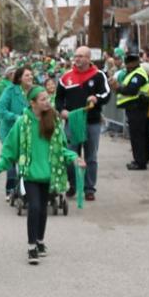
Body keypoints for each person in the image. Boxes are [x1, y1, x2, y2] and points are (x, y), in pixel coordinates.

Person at [0, 86, 86, 265]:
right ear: (32, 103)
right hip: (30, 174)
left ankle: (40, 241)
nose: (47, 102)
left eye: (48, 98)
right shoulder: (22, 122)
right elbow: (10, 149)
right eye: (43, 99)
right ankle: (32, 247)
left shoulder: (53, 121)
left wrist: (74, 158)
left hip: (49, 174)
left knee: (42, 209)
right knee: (34, 207)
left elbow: (61, 149)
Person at [56, 46, 110, 201]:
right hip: (72, 122)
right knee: (70, 156)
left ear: (88, 58)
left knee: (91, 156)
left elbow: (107, 94)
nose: (77, 59)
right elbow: (58, 98)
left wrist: (96, 98)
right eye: (76, 56)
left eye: (81, 56)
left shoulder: (98, 75)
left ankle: (89, 188)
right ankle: (74, 185)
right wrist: (62, 110)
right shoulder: (66, 77)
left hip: (92, 122)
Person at [0, 67, 33, 202]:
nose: (30, 77)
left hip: (29, 130)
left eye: (31, 75)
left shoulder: (34, 91)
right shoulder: (10, 91)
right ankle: (11, 189)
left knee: (27, 158)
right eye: (27, 75)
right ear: (19, 78)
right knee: (12, 159)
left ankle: (27, 188)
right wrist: (15, 117)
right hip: (10, 130)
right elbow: (0, 109)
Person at [115, 52, 149, 171]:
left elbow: (131, 90)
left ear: (133, 63)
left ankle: (140, 162)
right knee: (142, 134)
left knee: (137, 136)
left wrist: (118, 88)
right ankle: (142, 159)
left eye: (128, 63)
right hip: (137, 108)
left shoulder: (138, 74)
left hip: (137, 108)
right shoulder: (134, 73)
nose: (126, 66)